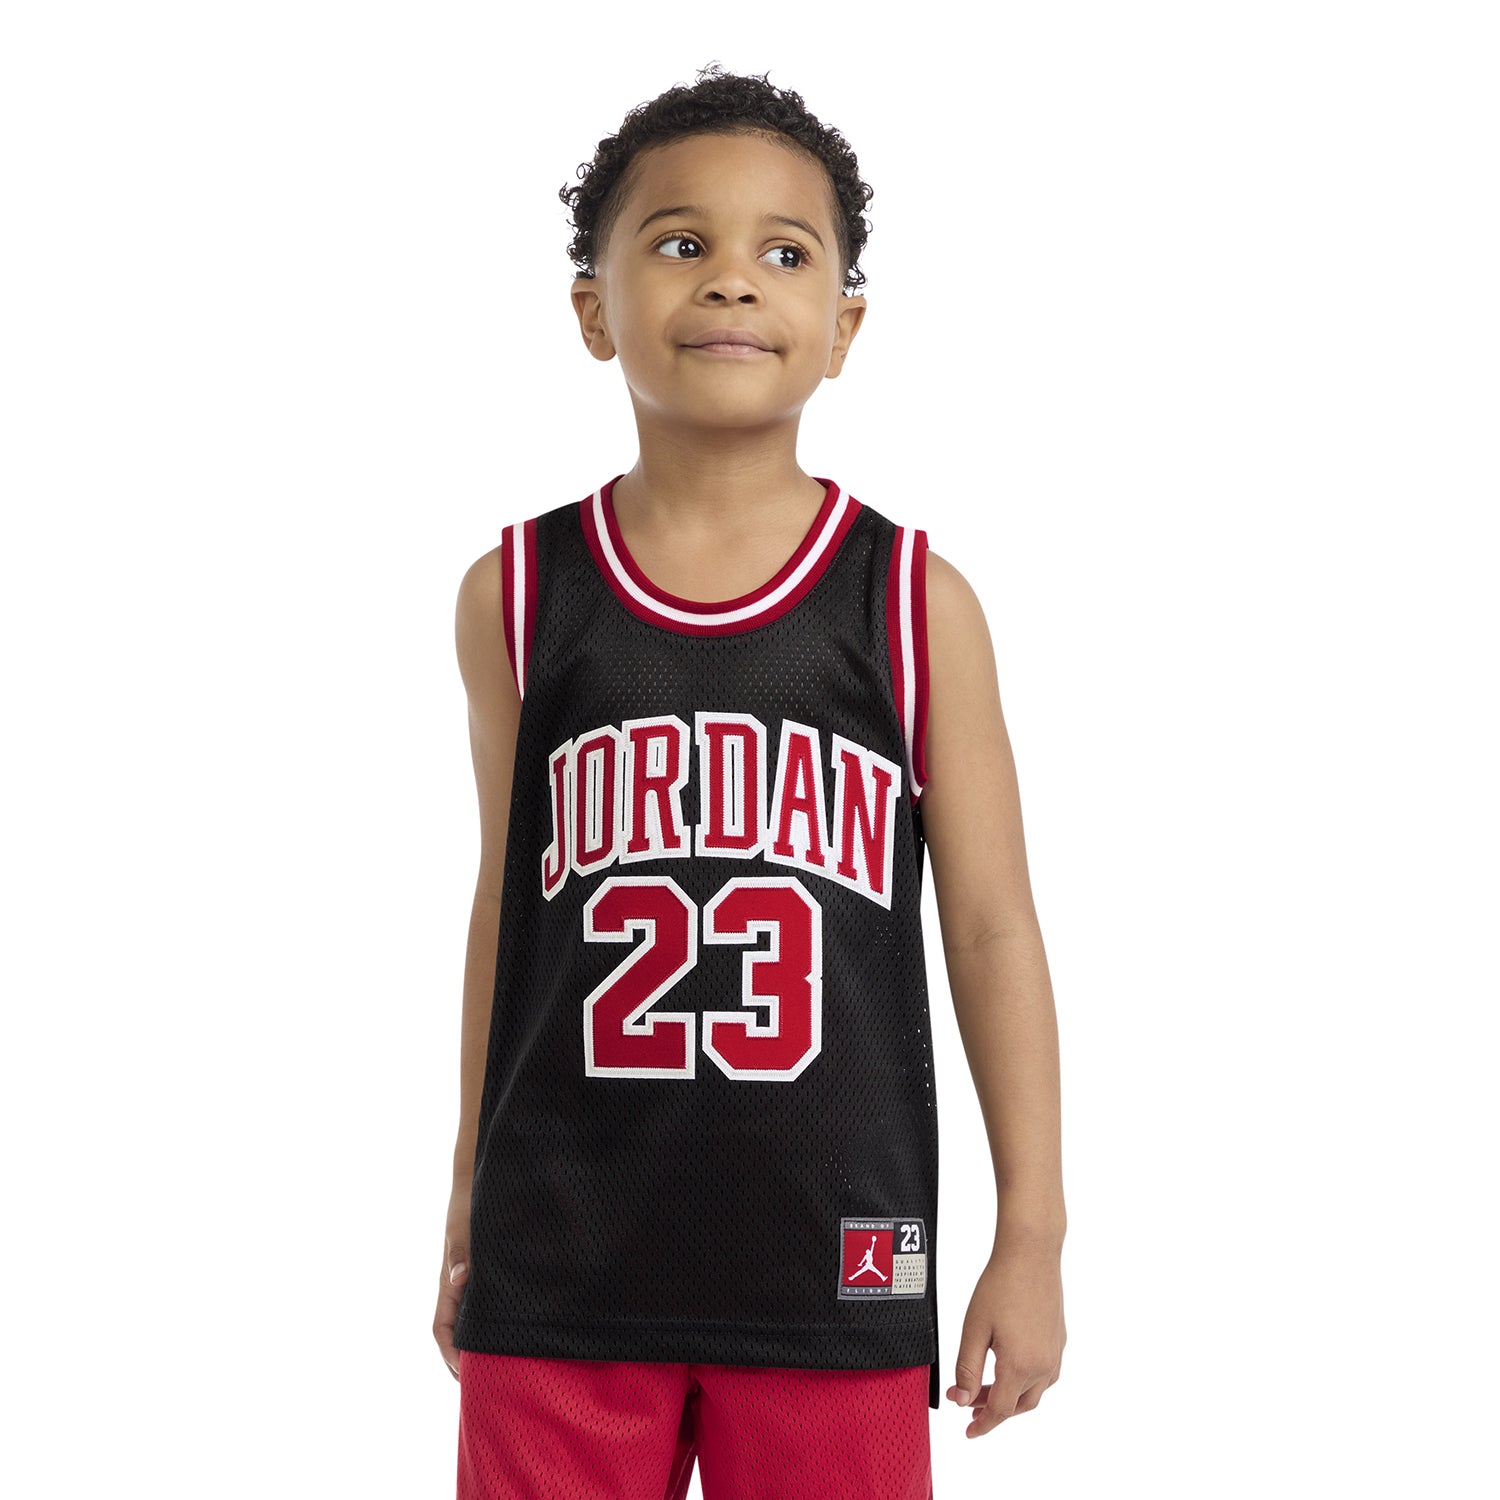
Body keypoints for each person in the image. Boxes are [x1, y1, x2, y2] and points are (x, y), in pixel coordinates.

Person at [432, 62, 1066, 1499]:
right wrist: (469, 1190)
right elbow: (507, 918)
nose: (732, 279)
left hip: (832, 1263)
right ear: (593, 309)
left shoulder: (909, 600)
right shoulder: (516, 593)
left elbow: (990, 928)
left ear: (844, 327)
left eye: (786, 252)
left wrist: (1031, 1234)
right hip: (564, 1261)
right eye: (680, 242)